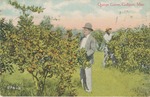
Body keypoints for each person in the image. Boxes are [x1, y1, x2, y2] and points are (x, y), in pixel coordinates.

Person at [80, 23, 96, 93]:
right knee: (81, 73)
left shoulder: (92, 39)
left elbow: (93, 49)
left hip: (88, 59)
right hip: (81, 59)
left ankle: (89, 90)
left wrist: (86, 54)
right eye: (84, 29)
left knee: (87, 74)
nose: (84, 31)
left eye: (86, 30)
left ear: (89, 30)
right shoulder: (82, 38)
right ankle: (83, 87)